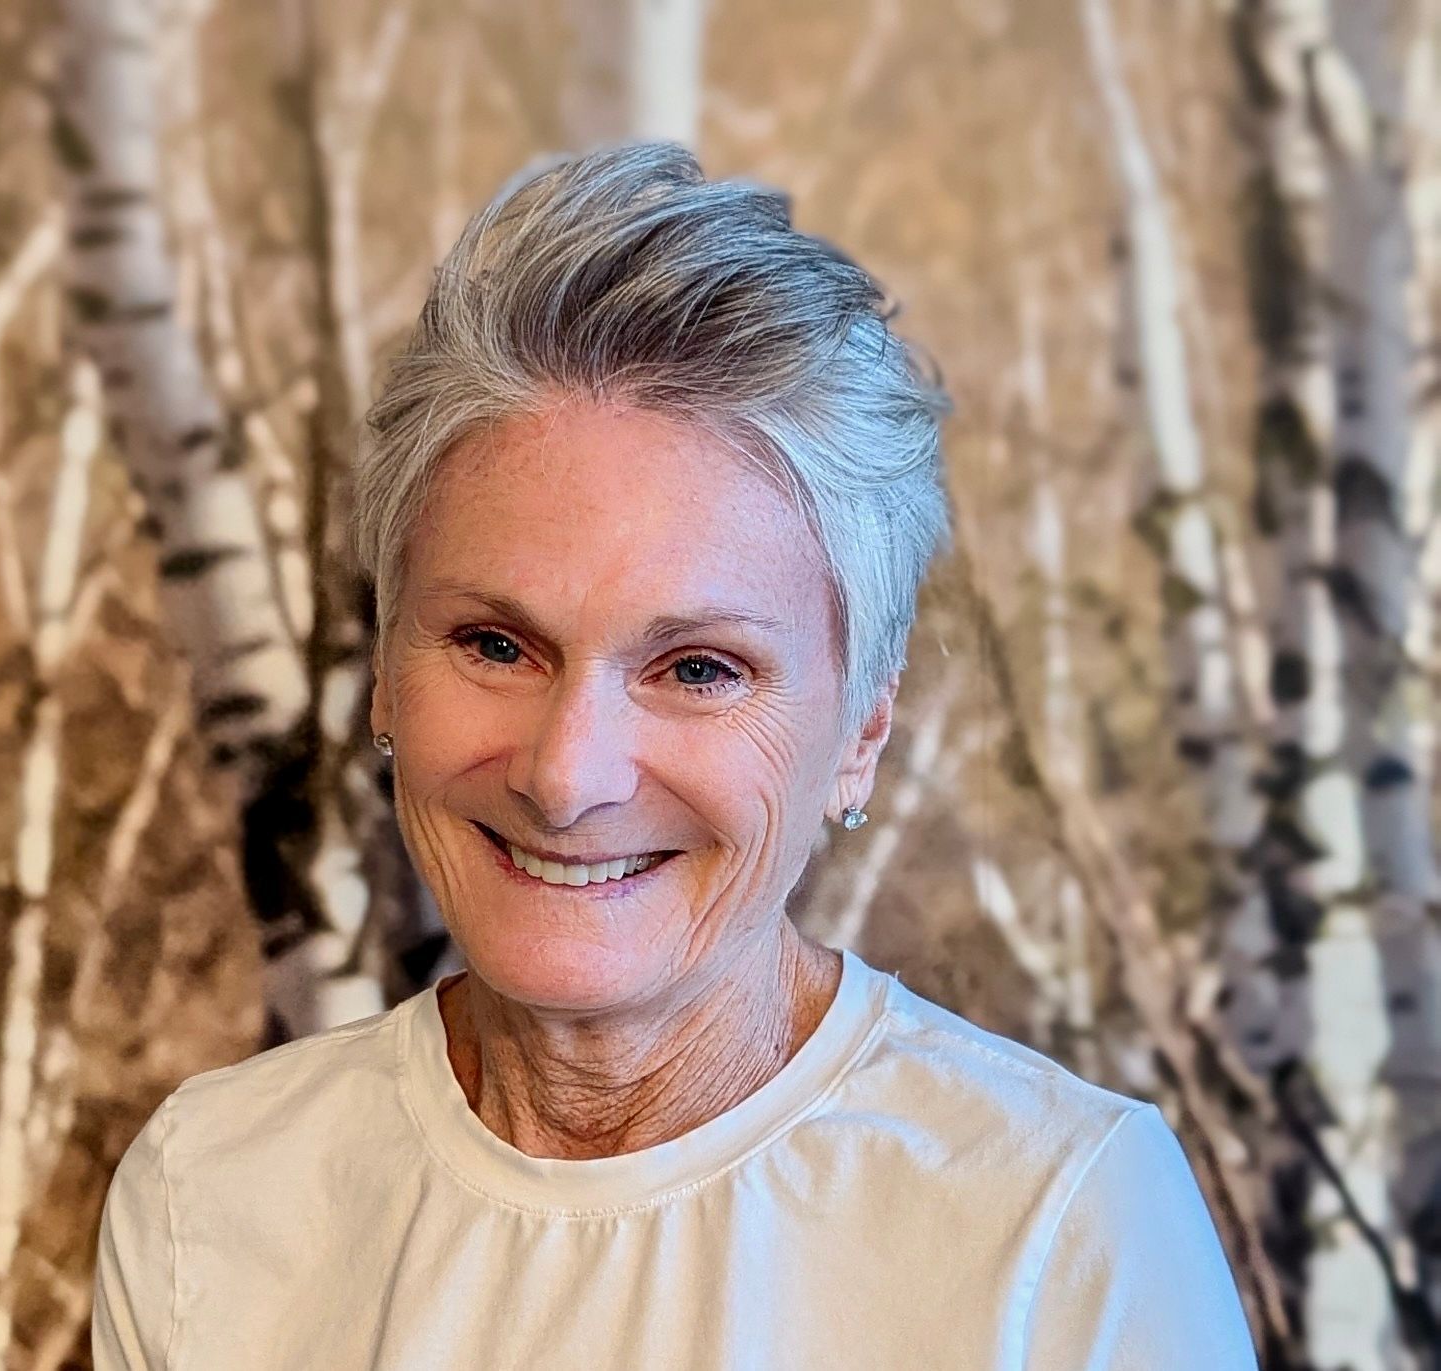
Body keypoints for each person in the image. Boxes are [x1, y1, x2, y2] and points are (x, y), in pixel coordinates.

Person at [91, 141, 1258, 1369]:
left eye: (698, 669)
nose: (566, 773)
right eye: (495, 644)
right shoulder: (210, 1195)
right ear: (385, 672)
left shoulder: (1058, 1224)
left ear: (862, 727)